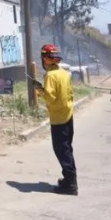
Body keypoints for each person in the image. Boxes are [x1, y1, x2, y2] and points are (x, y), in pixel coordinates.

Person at [34, 43, 77, 195]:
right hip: (68, 115)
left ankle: (70, 185)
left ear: (46, 58)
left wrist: (39, 90)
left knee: (62, 151)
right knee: (67, 149)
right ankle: (68, 180)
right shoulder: (64, 73)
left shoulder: (50, 76)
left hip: (58, 118)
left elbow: (50, 98)